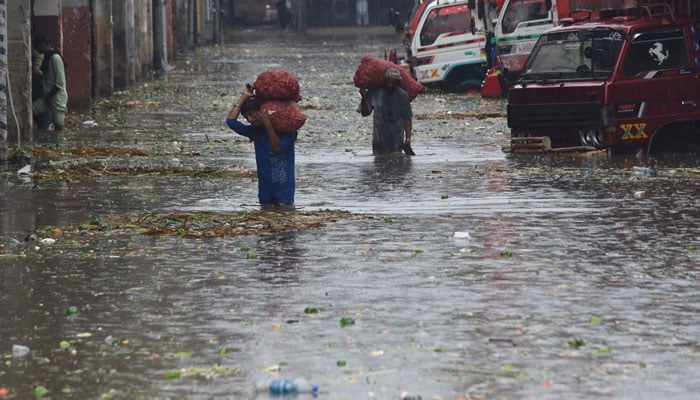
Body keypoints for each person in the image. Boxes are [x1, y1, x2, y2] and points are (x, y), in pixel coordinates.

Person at [226, 85, 297, 210]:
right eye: (247, 117)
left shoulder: (287, 131)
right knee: (265, 221)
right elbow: (231, 121)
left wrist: (268, 125)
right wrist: (244, 96)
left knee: (285, 220)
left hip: (284, 189)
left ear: (263, 111)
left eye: (252, 114)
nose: (250, 120)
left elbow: (278, 148)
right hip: (265, 189)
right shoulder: (255, 132)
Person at [359, 68, 414, 155]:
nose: (390, 85)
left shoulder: (402, 96)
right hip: (379, 141)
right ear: (384, 81)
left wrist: (408, 139)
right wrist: (364, 97)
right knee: (379, 164)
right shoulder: (376, 93)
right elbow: (365, 113)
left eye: (393, 82)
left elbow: (407, 119)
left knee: (396, 162)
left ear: (397, 83)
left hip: (396, 141)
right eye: (388, 82)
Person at [32, 35, 68, 131]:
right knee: (31, 110)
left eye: (37, 47)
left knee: (59, 127)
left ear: (43, 45)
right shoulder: (47, 58)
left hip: (56, 98)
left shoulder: (55, 58)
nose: (37, 50)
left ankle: (59, 144)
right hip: (47, 97)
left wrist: (50, 96)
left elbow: (59, 82)